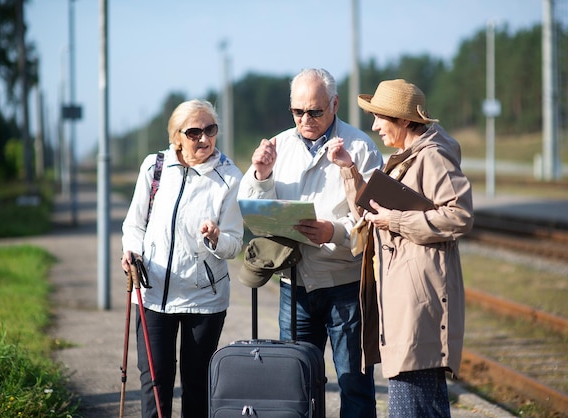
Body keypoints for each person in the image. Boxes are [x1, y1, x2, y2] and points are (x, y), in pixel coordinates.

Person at [238, 68, 383, 418]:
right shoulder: (278, 146)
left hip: (346, 285)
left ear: (334, 104)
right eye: (298, 112)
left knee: (354, 386)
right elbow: (251, 209)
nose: (306, 119)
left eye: (315, 111)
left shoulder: (361, 147)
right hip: (294, 286)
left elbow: (374, 216)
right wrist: (261, 175)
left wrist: (333, 232)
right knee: (296, 386)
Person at [327, 79, 474, 418]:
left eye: (381, 117)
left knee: (413, 404)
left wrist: (397, 221)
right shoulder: (406, 157)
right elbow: (369, 211)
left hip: (419, 303)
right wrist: (349, 169)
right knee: (417, 404)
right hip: (403, 299)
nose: (374, 125)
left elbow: (460, 215)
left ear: (406, 121)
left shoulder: (433, 157)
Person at [121, 99, 244, 417]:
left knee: (197, 386)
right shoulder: (155, 166)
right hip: (152, 294)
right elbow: (135, 224)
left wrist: (217, 238)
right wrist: (132, 253)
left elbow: (234, 244)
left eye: (210, 129)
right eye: (194, 132)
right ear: (177, 136)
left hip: (204, 299)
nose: (204, 138)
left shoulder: (229, 177)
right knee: (155, 383)